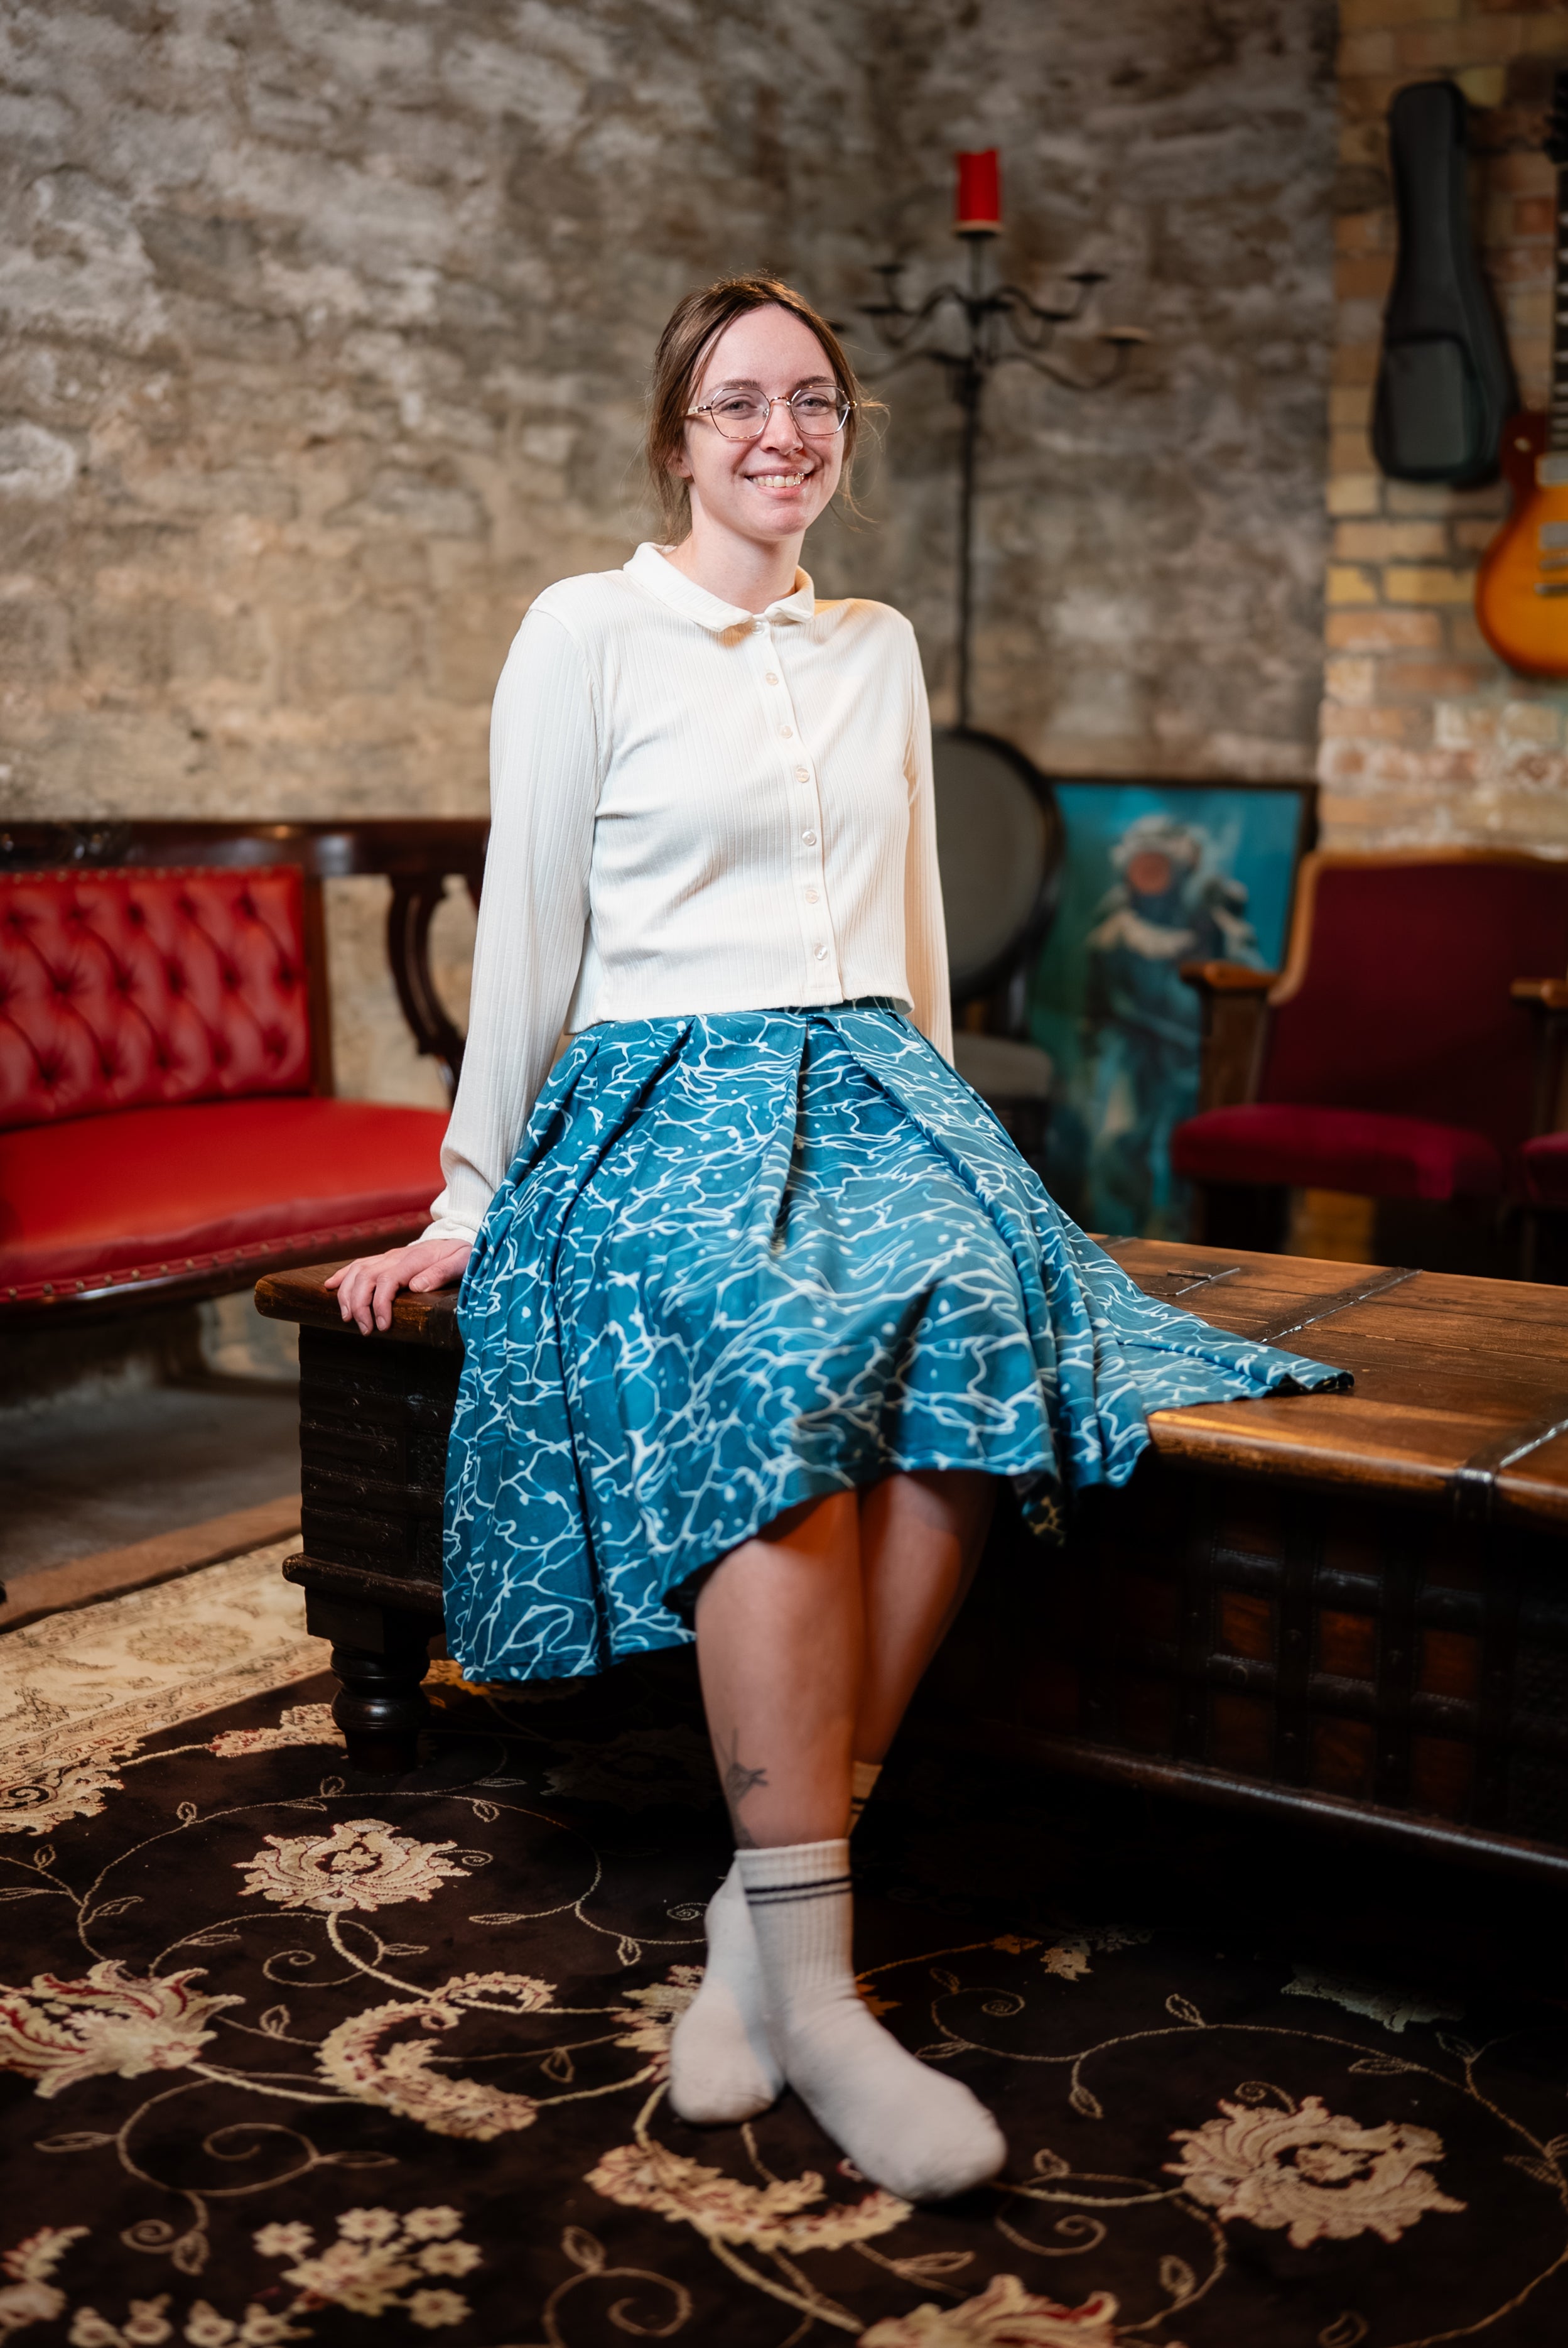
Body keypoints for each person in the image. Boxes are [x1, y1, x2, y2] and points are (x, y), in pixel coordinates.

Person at [327, 273, 1346, 2205]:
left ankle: (765, 1924)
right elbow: (529, 928)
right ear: (675, 437)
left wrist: (945, 1154)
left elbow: (908, 936)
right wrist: (471, 1196)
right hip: (658, 1090)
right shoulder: (582, 632)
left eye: (812, 400)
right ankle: (822, 1984)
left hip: (870, 1077)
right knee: (778, 1344)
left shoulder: (875, 646)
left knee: (971, 1312)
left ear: (844, 434)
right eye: (738, 402)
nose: (779, 432)